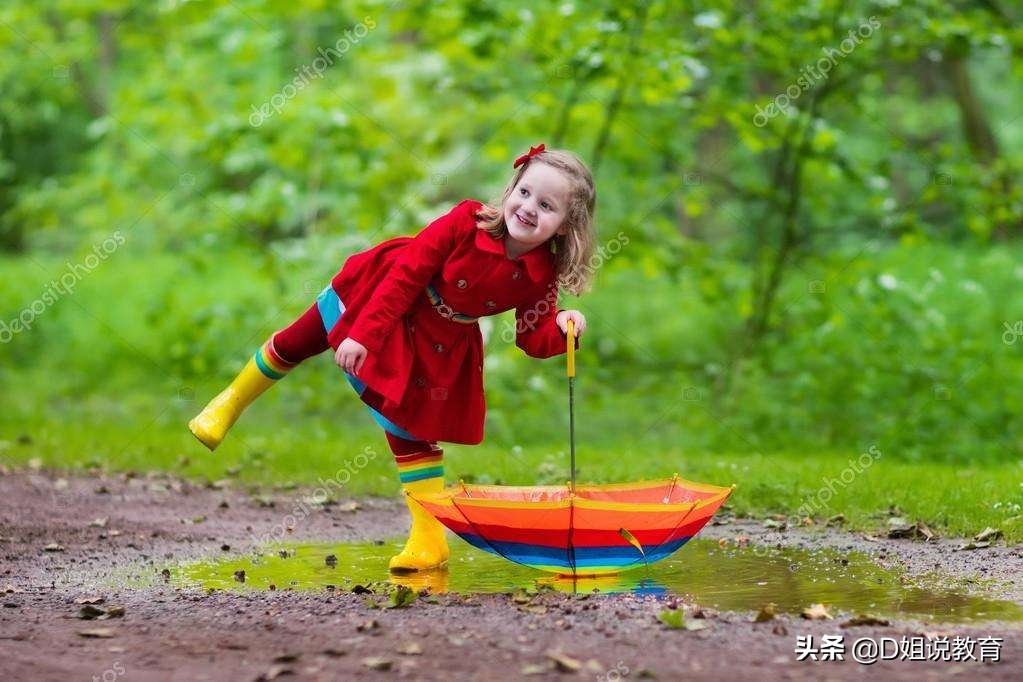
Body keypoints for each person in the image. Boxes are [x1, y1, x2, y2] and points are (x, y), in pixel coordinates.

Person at [188, 143, 597, 572]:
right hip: (387, 294)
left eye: (547, 205)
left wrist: (564, 327)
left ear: (567, 227)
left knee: (410, 428)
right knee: (300, 339)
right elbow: (407, 274)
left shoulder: (542, 273)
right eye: (525, 192)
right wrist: (365, 335)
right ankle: (229, 402)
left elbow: (532, 338)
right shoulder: (466, 221)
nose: (529, 208)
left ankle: (429, 538)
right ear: (512, 188)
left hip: (442, 338)